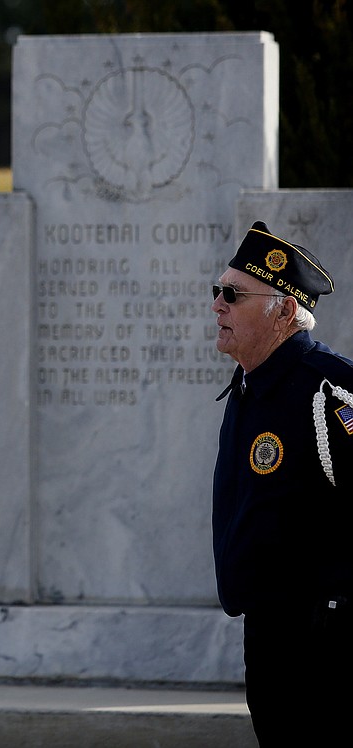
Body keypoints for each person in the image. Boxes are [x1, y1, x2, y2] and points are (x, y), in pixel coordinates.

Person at [211, 221, 353, 745]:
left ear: (285, 311)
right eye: (217, 292)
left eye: (233, 294)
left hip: (328, 645)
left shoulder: (329, 391)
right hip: (271, 636)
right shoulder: (249, 385)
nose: (217, 306)